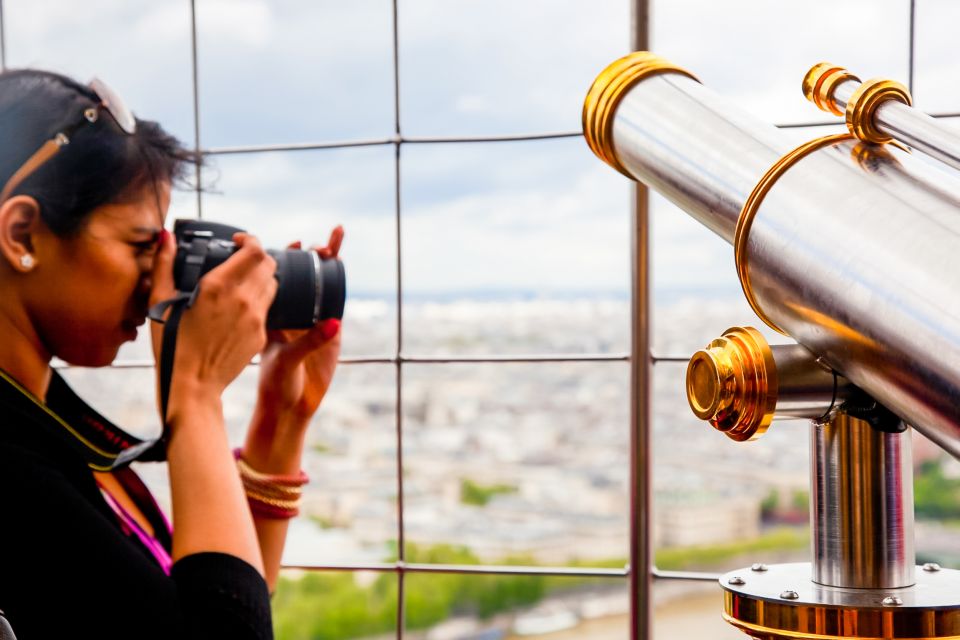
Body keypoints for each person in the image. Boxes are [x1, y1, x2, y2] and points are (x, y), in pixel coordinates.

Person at [0, 69, 343, 639]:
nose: (159, 278)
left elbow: (214, 608)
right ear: (23, 235)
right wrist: (196, 393)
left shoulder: (40, 419)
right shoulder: (14, 468)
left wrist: (280, 421)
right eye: (141, 245)